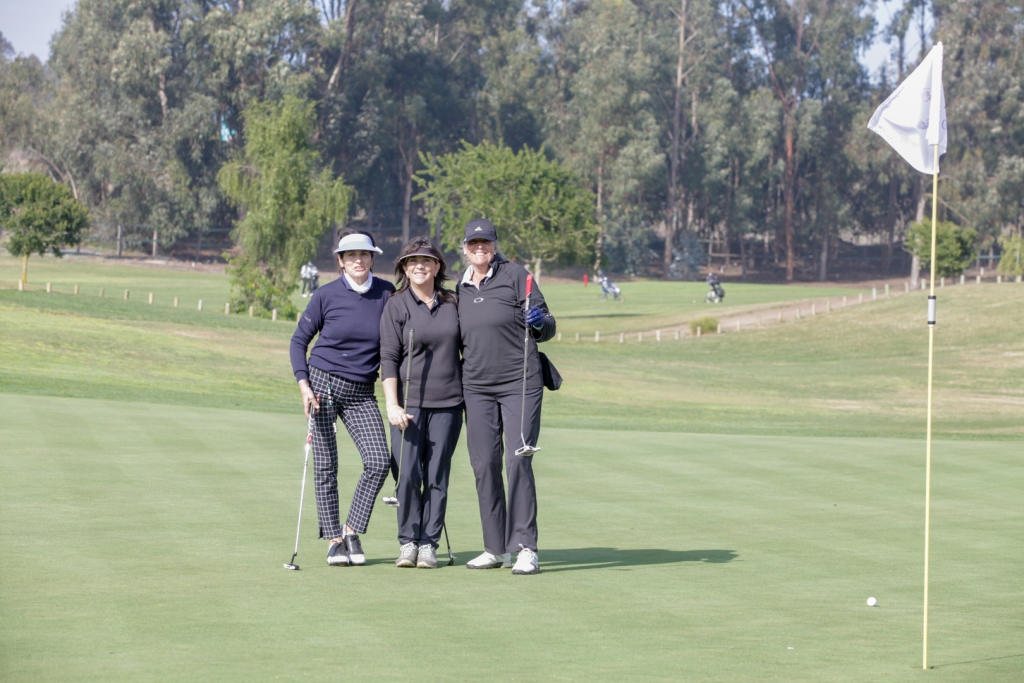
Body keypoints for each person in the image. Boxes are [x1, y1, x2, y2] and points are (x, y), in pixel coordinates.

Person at [289, 230, 395, 567]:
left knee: (378, 461)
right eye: (351, 255)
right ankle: (334, 540)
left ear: (372, 258)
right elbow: (298, 342)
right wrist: (304, 385)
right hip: (322, 384)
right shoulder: (326, 294)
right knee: (326, 465)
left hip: (362, 391)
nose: (358, 260)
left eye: (364, 254)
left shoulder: (387, 293)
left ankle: (351, 530)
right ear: (341, 261)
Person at [457, 218, 556, 575]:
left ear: (494, 245)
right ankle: (495, 548)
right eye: (473, 243)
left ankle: (525, 547)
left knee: (517, 461)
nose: (479, 248)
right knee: (484, 465)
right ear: (465, 249)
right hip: (476, 387)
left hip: (520, 382)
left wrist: (539, 322)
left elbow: (548, 325)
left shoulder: (517, 276)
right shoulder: (460, 288)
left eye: (485, 242)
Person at [379, 237, 463, 569]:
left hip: (449, 403)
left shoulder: (453, 302)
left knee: (437, 475)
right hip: (408, 406)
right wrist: (392, 404)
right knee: (409, 475)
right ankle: (408, 542)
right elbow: (388, 358)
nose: (419, 266)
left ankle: (428, 543)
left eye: (426, 260)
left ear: (437, 266)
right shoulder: (396, 304)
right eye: (412, 261)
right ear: (404, 267)